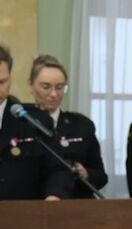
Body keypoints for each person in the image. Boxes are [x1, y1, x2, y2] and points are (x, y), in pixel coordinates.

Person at [27, 54, 108, 198]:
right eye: (46, 87)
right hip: (35, 206)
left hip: (78, 205)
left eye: (60, 88)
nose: (53, 94)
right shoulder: (21, 124)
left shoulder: (82, 125)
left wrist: (85, 173)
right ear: (31, 86)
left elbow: (101, 176)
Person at [0, 46, 70, 201]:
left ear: (10, 77)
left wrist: (54, 195)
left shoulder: (32, 120)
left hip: (24, 218)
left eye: (2, 82)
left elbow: (57, 169)